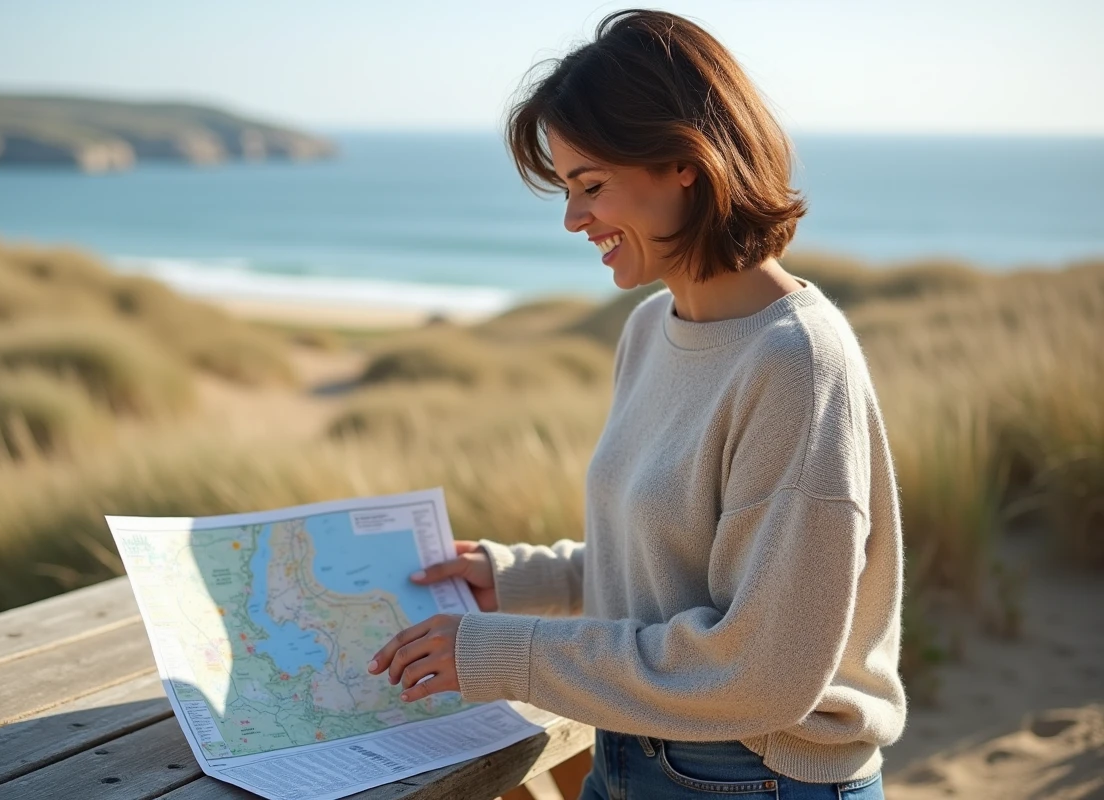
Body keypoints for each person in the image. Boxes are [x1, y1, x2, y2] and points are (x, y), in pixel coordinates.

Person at [369, 9, 906, 798]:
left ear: (683, 161)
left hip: (754, 777)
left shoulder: (797, 365)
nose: (573, 219)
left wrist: (502, 650)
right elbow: (670, 567)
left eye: (590, 186)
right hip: (627, 753)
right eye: (565, 189)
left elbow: (762, 672)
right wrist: (518, 581)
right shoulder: (653, 326)